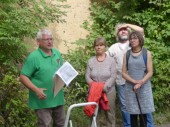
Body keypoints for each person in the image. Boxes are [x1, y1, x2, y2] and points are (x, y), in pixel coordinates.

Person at [19, 29, 65, 127]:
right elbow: (23, 77)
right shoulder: (34, 57)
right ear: (38, 41)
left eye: (51, 39)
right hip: (43, 100)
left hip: (58, 98)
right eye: (46, 39)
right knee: (45, 124)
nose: (49, 42)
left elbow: (61, 71)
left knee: (61, 124)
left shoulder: (57, 53)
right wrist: (36, 90)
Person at [107, 23, 144, 127]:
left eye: (125, 30)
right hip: (121, 81)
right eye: (120, 30)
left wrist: (127, 24)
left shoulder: (134, 43)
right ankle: (128, 125)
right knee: (124, 106)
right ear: (117, 33)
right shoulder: (113, 48)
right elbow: (104, 59)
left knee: (139, 104)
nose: (123, 31)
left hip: (137, 81)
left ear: (129, 32)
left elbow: (141, 30)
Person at [122, 31, 155, 127]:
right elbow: (123, 73)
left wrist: (140, 82)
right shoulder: (127, 54)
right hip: (130, 88)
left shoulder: (146, 53)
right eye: (131, 38)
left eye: (135, 38)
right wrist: (134, 81)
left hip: (144, 87)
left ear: (140, 40)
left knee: (143, 114)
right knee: (132, 114)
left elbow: (150, 72)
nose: (132, 40)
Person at [85, 37, 117, 127]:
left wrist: (104, 87)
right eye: (97, 45)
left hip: (108, 91)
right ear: (94, 47)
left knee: (110, 113)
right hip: (94, 91)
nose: (99, 47)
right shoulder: (90, 61)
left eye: (101, 45)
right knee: (94, 113)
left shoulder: (111, 60)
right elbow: (87, 76)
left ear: (105, 47)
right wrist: (94, 86)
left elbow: (113, 76)